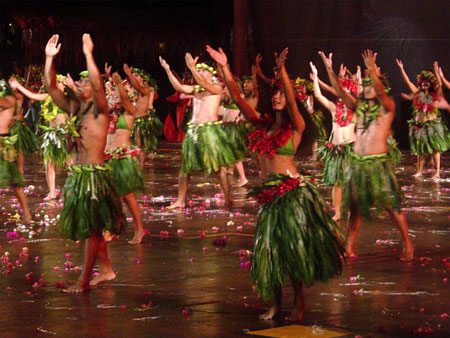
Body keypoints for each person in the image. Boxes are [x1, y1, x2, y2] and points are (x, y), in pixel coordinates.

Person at [208, 45, 344, 321]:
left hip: (292, 195)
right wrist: (225, 69)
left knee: (290, 251)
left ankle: (299, 302)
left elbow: (294, 103)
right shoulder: (263, 124)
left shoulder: (295, 128)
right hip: (269, 197)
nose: (278, 97)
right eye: (276, 93)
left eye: (282, 93)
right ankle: (275, 304)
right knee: (269, 251)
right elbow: (240, 103)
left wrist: (281, 70)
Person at [45, 34, 126, 292]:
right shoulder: (74, 109)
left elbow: (98, 86)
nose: (80, 84)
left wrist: (89, 54)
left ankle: (83, 281)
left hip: (94, 176)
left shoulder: (100, 110)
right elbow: (51, 87)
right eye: (78, 81)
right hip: (79, 176)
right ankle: (107, 269)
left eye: (84, 81)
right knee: (93, 229)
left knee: (92, 229)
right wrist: (49, 58)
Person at [320, 50, 414, 260]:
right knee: (355, 208)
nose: (365, 88)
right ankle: (349, 246)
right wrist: (329, 68)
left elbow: (380, 93)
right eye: (365, 85)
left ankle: (408, 244)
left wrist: (371, 68)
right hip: (358, 164)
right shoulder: (359, 107)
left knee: (391, 206)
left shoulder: (387, 107)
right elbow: (340, 92)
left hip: (377, 165)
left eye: (370, 85)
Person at [159, 54, 238, 210]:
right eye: (199, 70)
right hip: (194, 131)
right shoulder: (197, 89)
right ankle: (180, 200)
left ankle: (228, 199)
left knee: (219, 168)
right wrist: (168, 71)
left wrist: (192, 68)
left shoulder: (216, 88)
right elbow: (180, 88)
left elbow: (202, 82)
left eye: (203, 71)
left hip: (210, 131)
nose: (200, 73)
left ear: (211, 74)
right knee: (186, 167)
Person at [8, 76, 75, 200]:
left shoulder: (66, 100)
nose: (57, 84)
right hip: (51, 134)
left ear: (65, 86)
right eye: (56, 82)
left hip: (63, 134)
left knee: (69, 163)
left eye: (60, 82)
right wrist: (18, 86)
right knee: (49, 163)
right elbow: (33, 96)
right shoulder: (49, 96)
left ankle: (72, 189)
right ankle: (52, 192)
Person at [310, 62, 356, 221]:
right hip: (336, 151)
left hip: (350, 150)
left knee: (351, 184)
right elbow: (318, 96)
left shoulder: (356, 111)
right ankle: (337, 212)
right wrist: (316, 77)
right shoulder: (333, 108)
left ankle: (350, 209)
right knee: (337, 184)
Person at [104, 72, 145, 244]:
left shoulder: (130, 111)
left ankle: (140, 229)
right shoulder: (109, 113)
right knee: (109, 195)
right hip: (107, 156)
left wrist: (120, 84)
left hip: (123, 157)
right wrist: (110, 81)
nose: (115, 96)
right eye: (112, 94)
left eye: (118, 93)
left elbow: (125, 100)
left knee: (127, 196)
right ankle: (110, 228)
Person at [396, 59, 450, 179]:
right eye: (423, 82)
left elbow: (440, 85)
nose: (424, 84)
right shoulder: (416, 93)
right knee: (420, 151)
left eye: (427, 82)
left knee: (435, 149)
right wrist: (401, 69)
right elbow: (408, 82)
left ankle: (437, 172)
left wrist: (436, 72)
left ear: (431, 84)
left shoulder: (434, 94)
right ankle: (419, 171)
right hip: (419, 125)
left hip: (432, 125)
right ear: (420, 83)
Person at [0, 79, 32, 223]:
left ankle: (26, 211)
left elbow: (6, 104)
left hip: (3, 143)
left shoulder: (10, 99)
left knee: (15, 182)